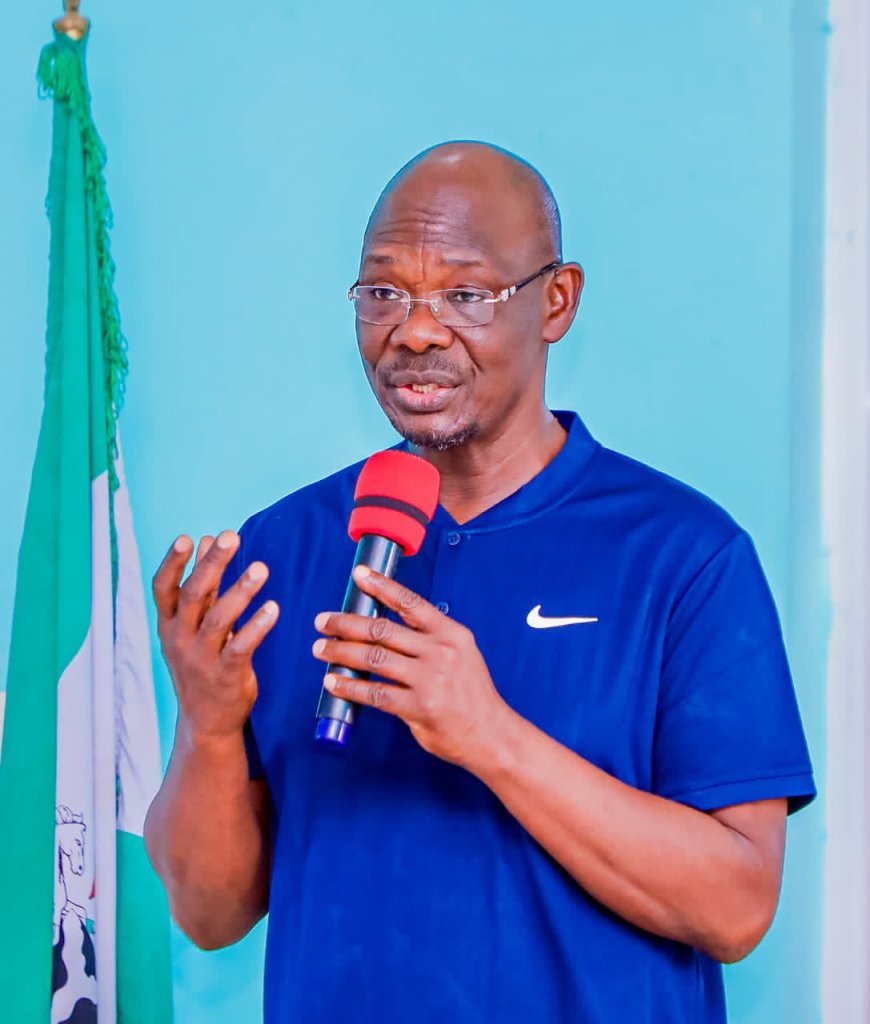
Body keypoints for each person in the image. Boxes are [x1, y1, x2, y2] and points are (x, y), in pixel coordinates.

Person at [145, 142, 815, 1023]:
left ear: (556, 301)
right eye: (384, 292)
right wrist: (207, 725)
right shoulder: (282, 549)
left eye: (465, 295)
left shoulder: (684, 556)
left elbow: (736, 906)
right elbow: (210, 914)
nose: (415, 332)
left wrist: (487, 733)